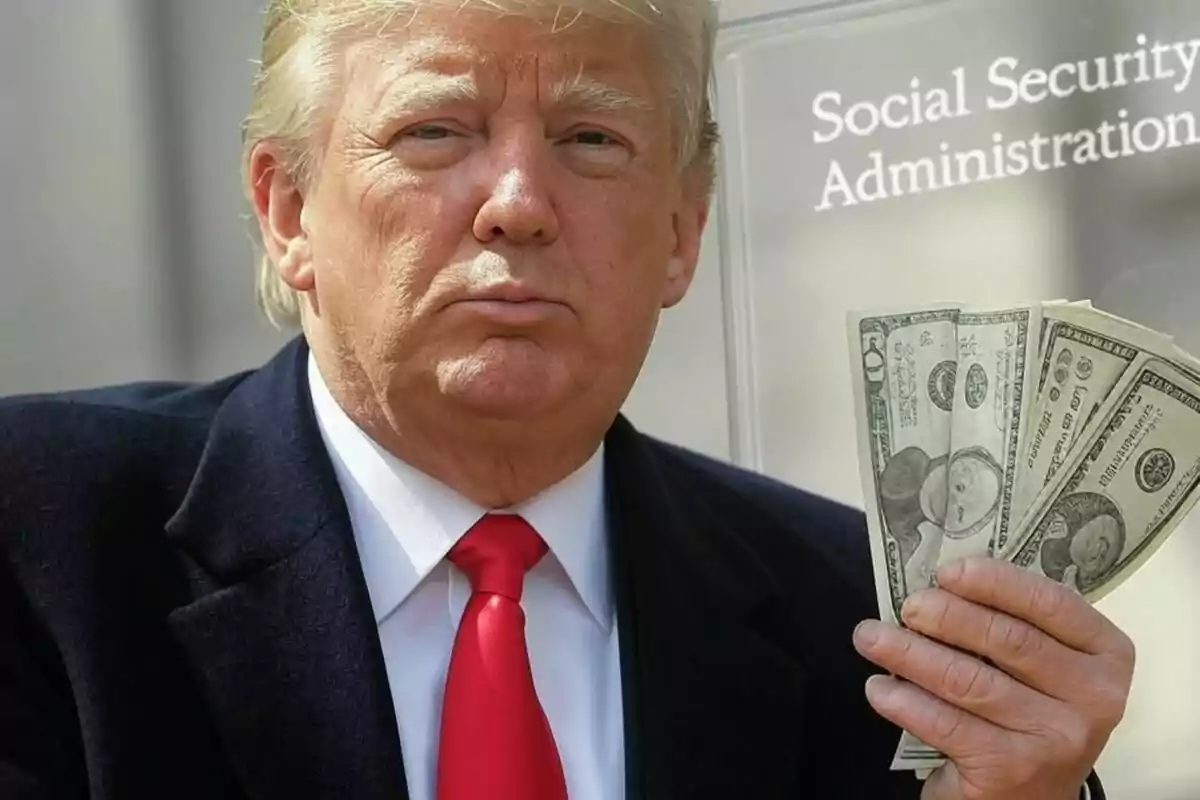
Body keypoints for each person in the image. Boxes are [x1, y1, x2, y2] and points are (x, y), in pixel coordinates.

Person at [0, 1, 1133, 798]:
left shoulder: (871, 633)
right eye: (435, 130)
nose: (518, 204)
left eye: (592, 139)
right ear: (288, 208)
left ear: (684, 231)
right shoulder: (41, 539)